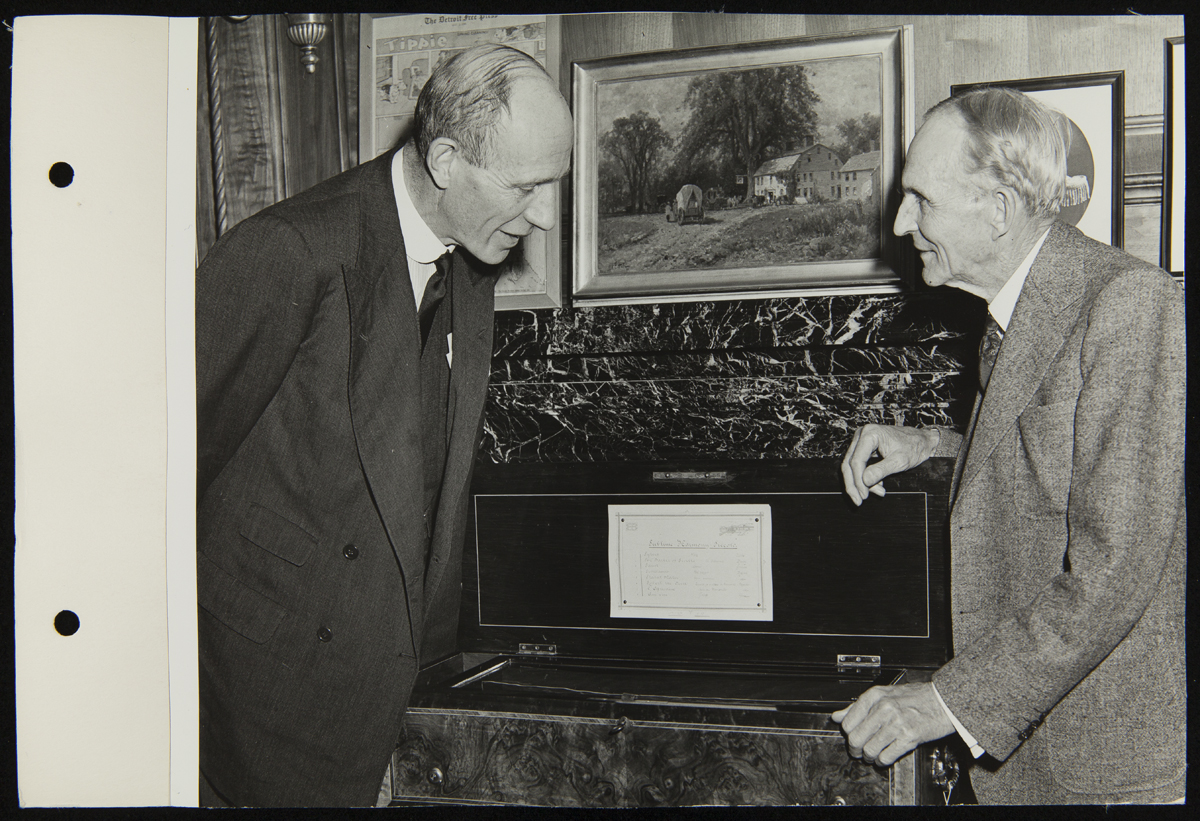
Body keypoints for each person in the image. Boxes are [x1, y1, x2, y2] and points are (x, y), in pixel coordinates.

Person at [195, 44, 574, 807]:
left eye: (554, 186)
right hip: (259, 711)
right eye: (527, 186)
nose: (545, 215)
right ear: (444, 160)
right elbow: (165, 472)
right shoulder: (291, 254)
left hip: (382, 696)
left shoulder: (469, 264)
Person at [833, 88, 1184, 804]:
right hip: (1037, 758)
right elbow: (1056, 453)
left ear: (998, 210)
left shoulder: (1128, 301)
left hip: (1099, 770)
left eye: (921, 200)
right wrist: (932, 442)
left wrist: (945, 701)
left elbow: (1113, 568)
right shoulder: (1020, 305)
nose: (900, 224)